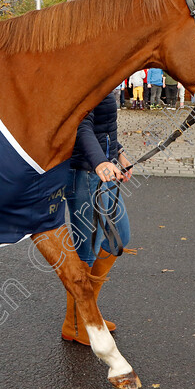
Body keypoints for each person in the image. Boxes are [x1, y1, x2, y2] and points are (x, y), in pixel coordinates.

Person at [62, 90, 132, 346]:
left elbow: (103, 123)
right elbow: (81, 125)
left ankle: (87, 311)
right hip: (86, 172)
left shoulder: (105, 70)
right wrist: (100, 161)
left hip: (105, 167)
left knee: (119, 238)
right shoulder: (85, 68)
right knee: (87, 252)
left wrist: (119, 151)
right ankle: (77, 322)